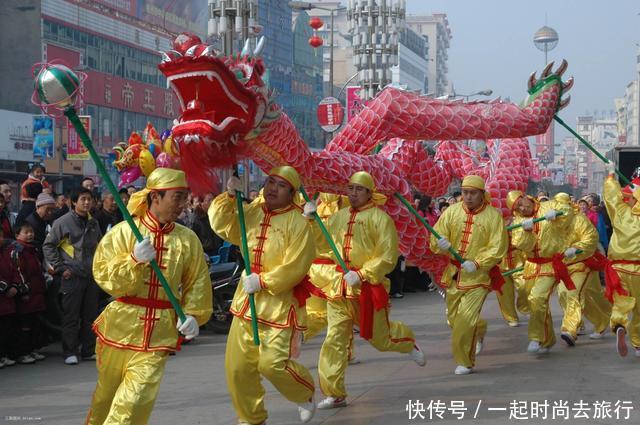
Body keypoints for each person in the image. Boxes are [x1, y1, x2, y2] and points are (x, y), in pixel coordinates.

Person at [86, 168, 212, 424]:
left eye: (185, 197)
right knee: (105, 400)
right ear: (155, 197)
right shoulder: (124, 232)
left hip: (158, 335)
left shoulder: (187, 239)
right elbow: (102, 274)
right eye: (177, 197)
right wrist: (133, 260)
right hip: (119, 329)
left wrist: (194, 315)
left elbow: (197, 280)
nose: (183, 204)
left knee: (134, 401)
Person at [304, 171, 425, 409]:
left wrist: (362, 274)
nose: (353, 193)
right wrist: (311, 220)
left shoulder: (381, 220)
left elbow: (388, 256)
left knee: (380, 339)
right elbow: (322, 243)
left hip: (366, 288)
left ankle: (408, 342)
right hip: (340, 288)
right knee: (334, 340)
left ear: (370, 193)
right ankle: (335, 393)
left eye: (359, 189)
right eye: (350, 188)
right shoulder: (338, 217)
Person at [210, 166, 317, 425]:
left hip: (279, 304)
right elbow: (224, 226)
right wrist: (227, 195)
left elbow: (297, 264)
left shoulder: (299, 223)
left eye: (281, 185)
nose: (272, 188)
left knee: (272, 364)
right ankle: (252, 419)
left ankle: (304, 393)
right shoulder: (253, 212)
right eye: (270, 181)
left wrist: (264, 280)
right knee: (237, 368)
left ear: (292, 193)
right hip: (246, 302)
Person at [431, 175, 507, 375]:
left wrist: (478, 262)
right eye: (465, 192)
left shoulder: (493, 216)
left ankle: (465, 361)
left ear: (482, 194)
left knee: (464, 321)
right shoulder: (451, 212)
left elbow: (498, 247)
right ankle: (479, 330)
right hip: (454, 275)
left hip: (478, 278)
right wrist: (440, 244)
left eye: (473, 193)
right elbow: (435, 236)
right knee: (454, 320)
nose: (468, 197)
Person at [509, 190, 574, 355]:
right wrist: (527, 232)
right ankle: (548, 339)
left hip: (550, 264)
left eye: (521, 203)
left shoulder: (550, 205)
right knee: (535, 303)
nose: (522, 209)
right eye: (517, 208)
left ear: (525, 197)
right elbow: (522, 245)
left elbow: (568, 213)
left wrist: (558, 215)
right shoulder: (518, 221)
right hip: (531, 266)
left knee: (537, 297)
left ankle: (536, 337)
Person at [43, 188, 102, 365]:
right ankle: (70, 351)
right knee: (71, 316)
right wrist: (61, 268)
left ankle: (88, 350)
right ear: (74, 202)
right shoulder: (63, 222)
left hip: (91, 276)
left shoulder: (94, 223)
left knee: (90, 316)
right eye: (83, 199)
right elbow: (48, 246)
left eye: (89, 199)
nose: (86, 203)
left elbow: (100, 246)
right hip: (72, 275)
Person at [552, 193, 600, 346]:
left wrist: (576, 249)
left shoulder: (580, 219)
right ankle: (601, 320)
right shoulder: (552, 223)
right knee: (563, 295)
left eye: (562, 206)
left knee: (573, 293)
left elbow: (591, 238)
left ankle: (570, 329)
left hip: (581, 263)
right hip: (563, 266)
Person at [602, 170, 640, 357]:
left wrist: (610, 177)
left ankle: (619, 325)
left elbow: (611, 197)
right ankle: (638, 344)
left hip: (619, 267)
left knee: (621, 303)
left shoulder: (621, 213)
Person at [9, 222, 48, 364]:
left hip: (37, 292)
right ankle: (22, 352)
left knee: (35, 323)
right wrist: (24, 290)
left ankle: (32, 349)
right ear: (17, 234)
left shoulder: (32, 249)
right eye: (26, 232)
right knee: (25, 325)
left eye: (31, 232)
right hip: (27, 294)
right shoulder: (18, 250)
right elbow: (19, 272)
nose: (30, 234)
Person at [25, 193, 56, 259]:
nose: (50, 212)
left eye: (52, 209)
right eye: (47, 209)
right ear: (38, 207)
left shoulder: (46, 220)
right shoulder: (31, 223)